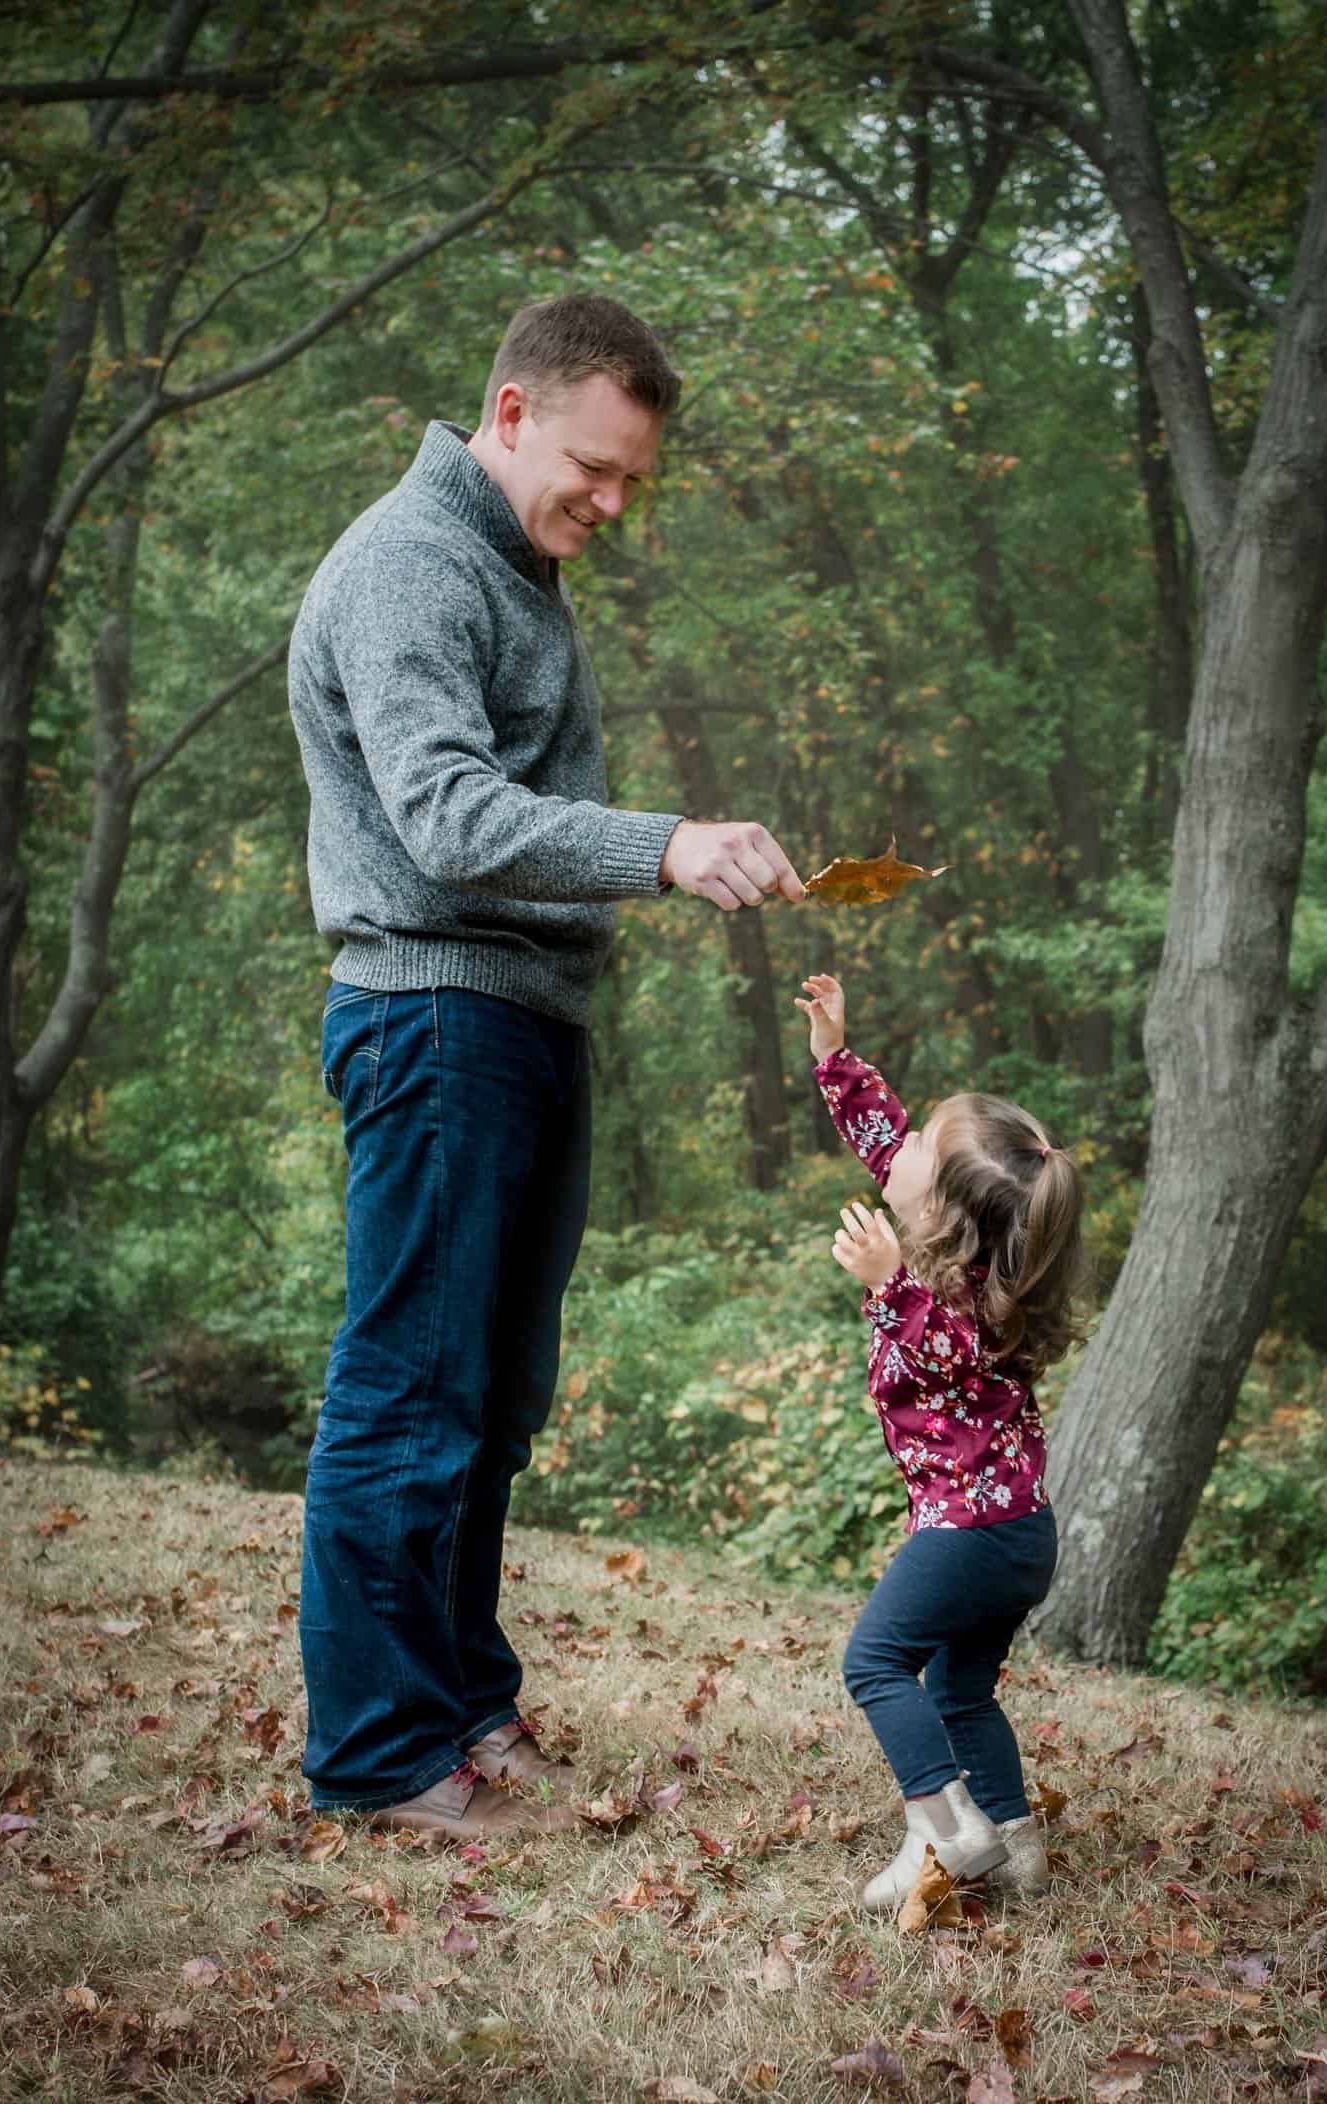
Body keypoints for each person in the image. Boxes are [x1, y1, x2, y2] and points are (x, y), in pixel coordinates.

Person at [288, 293, 806, 1844]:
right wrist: (663, 845)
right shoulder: (409, 566)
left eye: (634, 480)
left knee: (494, 1396)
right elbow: (443, 817)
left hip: (517, 1021)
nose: (612, 502)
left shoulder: (510, 565)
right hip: (433, 1014)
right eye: (594, 466)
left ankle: (459, 1698)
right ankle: (381, 1759)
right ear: (510, 413)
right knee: (409, 1394)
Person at [793, 971, 1085, 1908]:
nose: (902, 1140)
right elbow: (886, 1142)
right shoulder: (960, 1248)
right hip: (1014, 1533)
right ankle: (1016, 1846)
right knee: (962, 1693)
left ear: (941, 1215)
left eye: (923, 1142)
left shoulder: (966, 1300)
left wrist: (888, 1285)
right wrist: (836, 1057)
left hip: (973, 1535)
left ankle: (946, 1830)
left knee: (873, 1662)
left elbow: (953, 1356)